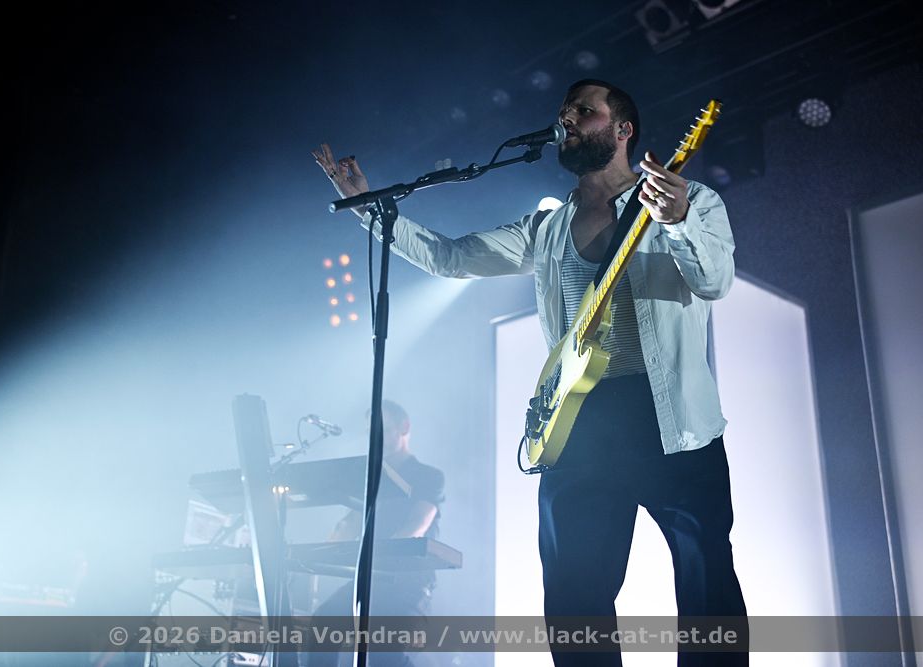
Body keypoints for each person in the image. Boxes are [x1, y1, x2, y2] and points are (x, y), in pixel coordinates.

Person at [314, 79, 748, 666]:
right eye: (565, 110)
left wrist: (677, 220)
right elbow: (451, 257)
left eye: (585, 111)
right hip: (580, 423)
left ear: (624, 130)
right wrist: (369, 207)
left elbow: (714, 282)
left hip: (671, 419)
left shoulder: (691, 199)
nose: (568, 118)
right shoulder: (546, 228)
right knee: (573, 598)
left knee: (706, 582)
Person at [306, 399, 444, 667]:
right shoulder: (372, 477)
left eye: (384, 429)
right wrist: (324, 551)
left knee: (385, 651)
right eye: (372, 431)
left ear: (404, 427)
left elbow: (418, 523)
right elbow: (350, 524)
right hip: (370, 578)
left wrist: (381, 553)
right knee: (323, 624)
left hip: (407, 582)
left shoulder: (428, 476)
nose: (377, 437)